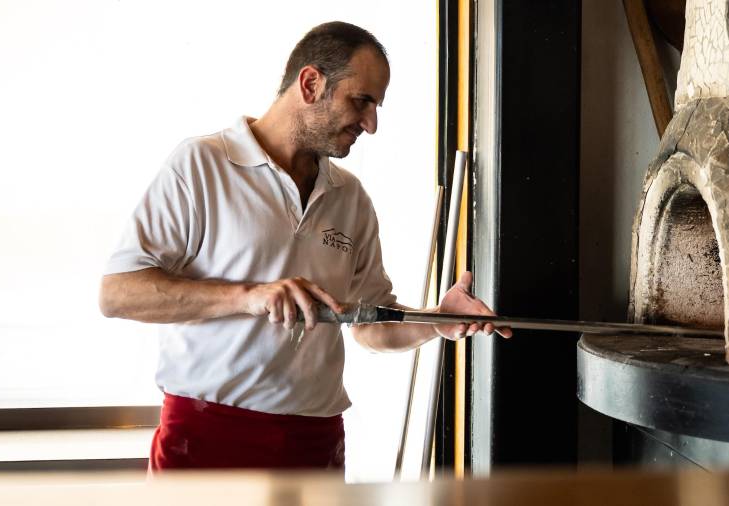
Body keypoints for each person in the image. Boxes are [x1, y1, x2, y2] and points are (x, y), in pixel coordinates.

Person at [99, 21, 511, 471]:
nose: (371, 124)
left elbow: (369, 324)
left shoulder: (350, 198)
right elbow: (118, 293)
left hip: (315, 442)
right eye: (362, 101)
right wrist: (250, 296)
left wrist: (435, 321)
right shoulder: (201, 165)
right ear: (311, 83)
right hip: (207, 436)